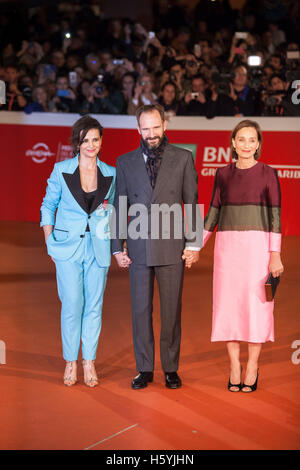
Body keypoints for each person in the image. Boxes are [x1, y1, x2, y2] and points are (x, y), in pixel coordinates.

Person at [112, 104, 201, 390]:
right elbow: (120, 206)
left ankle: (171, 368)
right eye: (145, 128)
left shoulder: (183, 158)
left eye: (155, 127)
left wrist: (194, 243)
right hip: (138, 247)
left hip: (172, 246)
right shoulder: (125, 162)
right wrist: (117, 247)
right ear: (138, 129)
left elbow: (192, 202)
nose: (151, 133)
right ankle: (144, 368)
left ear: (165, 125)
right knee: (140, 310)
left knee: (171, 311)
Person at [202, 119, 284, 393]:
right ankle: (234, 365)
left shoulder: (268, 174)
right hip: (227, 252)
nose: (246, 144)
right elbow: (213, 212)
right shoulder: (222, 174)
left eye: (252, 140)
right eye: (242, 139)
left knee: (257, 308)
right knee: (229, 308)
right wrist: (195, 246)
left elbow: (275, 217)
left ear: (258, 144)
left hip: (257, 252)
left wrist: (275, 255)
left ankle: (252, 366)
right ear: (233, 143)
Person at [40, 115, 116, 388]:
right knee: (72, 304)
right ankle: (71, 360)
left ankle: (89, 361)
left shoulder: (110, 172)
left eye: (95, 139)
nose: (90, 145)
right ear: (77, 143)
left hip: (98, 247)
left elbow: (116, 209)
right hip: (67, 247)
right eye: (85, 140)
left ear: (101, 141)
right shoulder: (61, 169)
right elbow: (48, 206)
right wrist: (50, 240)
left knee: (94, 306)